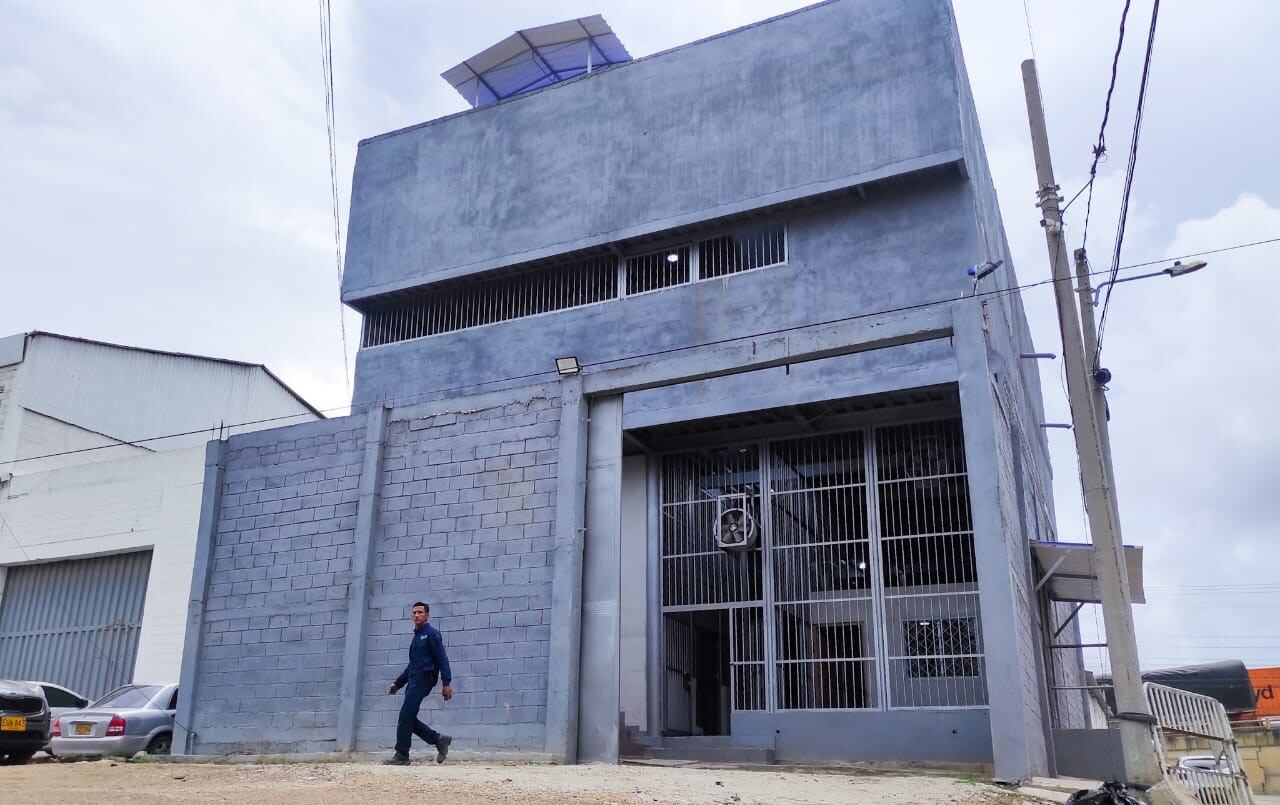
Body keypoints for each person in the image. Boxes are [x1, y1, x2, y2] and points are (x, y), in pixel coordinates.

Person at [385, 601, 453, 765]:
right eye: (414, 612)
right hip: (414, 680)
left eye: (420, 612)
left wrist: (446, 683)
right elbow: (412, 665)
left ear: (427, 615)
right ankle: (439, 739)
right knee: (408, 718)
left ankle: (402, 755)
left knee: (404, 717)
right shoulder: (416, 637)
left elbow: (442, 659)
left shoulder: (431, 634)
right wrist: (398, 684)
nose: (416, 615)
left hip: (424, 679)